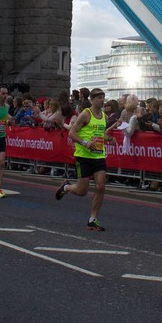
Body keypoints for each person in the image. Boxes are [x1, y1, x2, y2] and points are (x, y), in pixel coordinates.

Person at [55, 88, 114, 230]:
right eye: (99, 98)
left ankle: (92, 219)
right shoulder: (85, 114)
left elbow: (99, 134)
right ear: (93, 99)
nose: (102, 100)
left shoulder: (104, 116)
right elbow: (71, 133)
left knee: (101, 186)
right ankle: (67, 187)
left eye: (103, 97)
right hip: (83, 156)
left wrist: (109, 138)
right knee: (82, 191)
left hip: (99, 155)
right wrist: (85, 143)